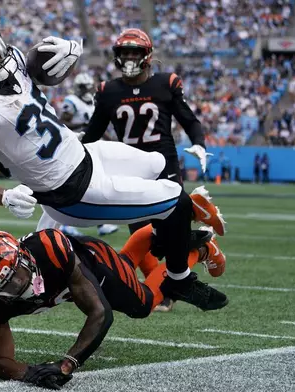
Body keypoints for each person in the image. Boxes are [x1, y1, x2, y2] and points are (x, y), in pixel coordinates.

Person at [0, 19, 227, 311]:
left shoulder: (6, 65)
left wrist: (61, 48)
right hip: (75, 191)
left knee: (158, 163)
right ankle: (179, 279)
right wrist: (4, 195)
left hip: (86, 155)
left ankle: (169, 240)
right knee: (176, 202)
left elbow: (37, 63)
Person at [0, 226, 227, 389]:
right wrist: (31, 373)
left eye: (18, 273)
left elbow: (100, 313)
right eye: (5, 286)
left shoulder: (50, 250)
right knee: (126, 269)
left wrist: (66, 365)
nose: (19, 284)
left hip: (95, 264)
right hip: (79, 276)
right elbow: (1, 362)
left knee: (143, 303)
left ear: (24, 255)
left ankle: (195, 251)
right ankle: (152, 236)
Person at [80, 28, 217, 312]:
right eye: (125, 53)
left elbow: (188, 119)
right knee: (142, 233)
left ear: (147, 56)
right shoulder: (108, 91)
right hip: (130, 168)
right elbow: (92, 134)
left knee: (167, 234)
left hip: (164, 164)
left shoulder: (165, 84)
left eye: (135, 52)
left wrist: (200, 143)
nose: (129, 58)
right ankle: (167, 280)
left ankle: (186, 265)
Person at [48, 72, 119, 238]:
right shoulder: (71, 101)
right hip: (74, 147)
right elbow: (62, 122)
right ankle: (65, 225)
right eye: (83, 87)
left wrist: (112, 140)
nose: (86, 90)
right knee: (76, 185)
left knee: (95, 184)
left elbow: (96, 126)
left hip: (89, 147)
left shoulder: (92, 103)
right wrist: (83, 125)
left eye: (87, 87)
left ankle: (101, 223)